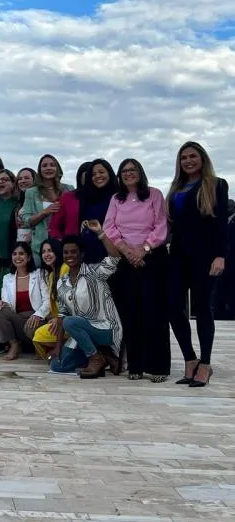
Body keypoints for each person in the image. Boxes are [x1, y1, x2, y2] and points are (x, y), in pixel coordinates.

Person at [166, 141, 228, 388]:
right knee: (172, 306)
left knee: (203, 309)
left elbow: (221, 223)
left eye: (193, 156)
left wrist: (221, 255)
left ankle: (206, 364)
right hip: (179, 256)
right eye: (183, 158)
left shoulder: (217, 184)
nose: (188, 161)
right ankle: (190, 359)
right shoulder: (176, 188)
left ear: (202, 158)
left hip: (206, 255)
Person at [105, 158, 169, 382]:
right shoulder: (116, 199)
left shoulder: (154, 194)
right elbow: (109, 226)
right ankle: (136, 365)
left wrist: (143, 249)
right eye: (124, 171)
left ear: (140, 172)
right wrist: (127, 251)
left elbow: (161, 224)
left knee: (154, 311)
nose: (128, 174)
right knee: (131, 313)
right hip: (126, 258)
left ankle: (158, 366)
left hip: (152, 257)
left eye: (132, 170)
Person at [48, 228, 123, 378]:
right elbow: (62, 315)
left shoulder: (94, 272)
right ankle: (105, 357)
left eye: (73, 252)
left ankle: (96, 358)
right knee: (57, 365)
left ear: (81, 254)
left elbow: (115, 258)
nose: (69, 256)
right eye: (66, 252)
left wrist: (101, 233)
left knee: (70, 322)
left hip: (105, 329)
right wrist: (58, 347)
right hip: (81, 334)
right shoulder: (62, 283)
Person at [0, 242, 50, 361]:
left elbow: (47, 301)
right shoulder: (7, 278)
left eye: (21, 254)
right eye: (14, 254)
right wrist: (0, 303)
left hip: (35, 319)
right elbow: (6, 303)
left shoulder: (40, 274)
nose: (17, 257)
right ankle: (14, 344)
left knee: (30, 328)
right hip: (17, 320)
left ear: (29, 257)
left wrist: (37, 315)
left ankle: (39, 346)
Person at [20, 154, 70, 264]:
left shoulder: (69, 189)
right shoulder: (31, 192)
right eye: (44, 166)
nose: (48, 168)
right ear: (39, 170)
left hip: (65, 247)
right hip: (40, 249)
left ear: (58, 168)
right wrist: (44, 212)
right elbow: (26, 220)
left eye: (52, 165)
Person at [31, 238, 67, 359]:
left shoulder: (65, 268)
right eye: (43, 251)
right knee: (38, 335)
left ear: (57, 251)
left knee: (39, 335)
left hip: (69, 319)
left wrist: (58, 318)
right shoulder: (51, 274)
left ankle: (69, 350)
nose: (46, 254)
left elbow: (69, 299)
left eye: (50, 251)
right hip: (58, 320)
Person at [48, 162, 90, 245]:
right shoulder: (67, 197)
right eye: (87, 175)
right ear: (80, 177)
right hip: (72, 249)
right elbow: (54, 227)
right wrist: (60, 244)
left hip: (104, 249)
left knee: (114, 259)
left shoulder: (107, 198)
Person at [0, 169, 19, 264]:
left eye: (4, 179)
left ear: (13, 183)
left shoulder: (20, 203)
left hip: (13, 255)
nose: (0, 182)